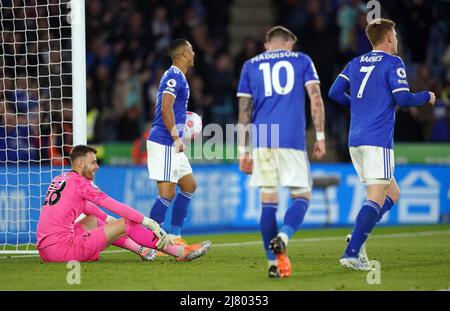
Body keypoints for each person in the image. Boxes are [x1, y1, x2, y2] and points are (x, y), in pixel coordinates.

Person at [328, 18, 436, 270]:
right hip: (377, 139)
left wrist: (357, 106)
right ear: (388, 38)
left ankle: (358, 235)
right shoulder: (393, 62)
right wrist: (426, 96)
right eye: (395, 35)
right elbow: (403, 99)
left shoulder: (355, 62)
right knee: (376, 197)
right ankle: (352, 252)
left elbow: (334, 92)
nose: (397, 40)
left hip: (355, 139)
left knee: (393, 193)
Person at [236, 26, 327, 278]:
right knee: (302, 196)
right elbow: (316, 100)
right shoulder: (302, 60)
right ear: (290, 44)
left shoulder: (250, 65)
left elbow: (244, 112)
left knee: (268, 202)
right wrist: (320, 136)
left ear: (267, 44)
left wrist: (243, 150)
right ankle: (284, 236)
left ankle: (274, 264)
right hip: (291, 139)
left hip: (263, 139)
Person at [36, 145, 211, 263]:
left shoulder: (60, 179)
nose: (97, 167)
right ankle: (179, 252)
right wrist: (148, 222)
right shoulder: (81, 183)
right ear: (81, 164)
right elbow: (113, 204)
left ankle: (142, 250)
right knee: (126, 223)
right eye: (93, 162)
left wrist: (106, 219)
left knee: (95, 220)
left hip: (45, 250)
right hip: (64, 251)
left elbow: (86, 207)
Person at [146, 39, 198, 257]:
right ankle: (152, 243)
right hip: (165, 141)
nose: (194, 53)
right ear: (185, 53)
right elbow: (166, 109)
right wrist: (177, 137)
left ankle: (175, 236)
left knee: (189, 185)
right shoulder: (173, 76)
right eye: (192, 50)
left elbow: (173, 111)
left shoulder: (179, 77)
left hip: (173, 142)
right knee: (167, 193)